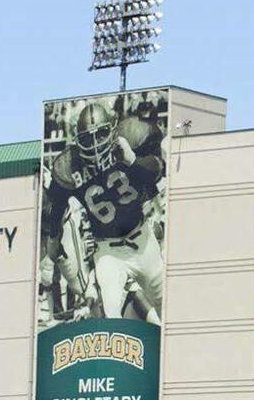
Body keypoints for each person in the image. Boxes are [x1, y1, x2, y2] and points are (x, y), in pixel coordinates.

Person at [42, 96, 166, 323]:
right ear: (77, 140)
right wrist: (53, 241)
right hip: (108, 251)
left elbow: (157, 169)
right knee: (111, 315)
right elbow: (56, 208)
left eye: (100, 134)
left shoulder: (127, 141)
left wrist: (133, 160)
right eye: (88, 139)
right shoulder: (70, 164)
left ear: (112, 128)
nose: (96, 143)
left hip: (143, 242)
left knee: (168, 307)